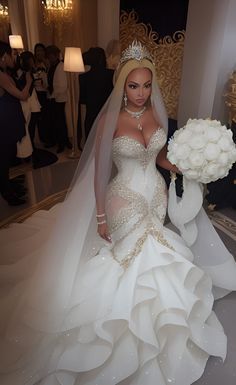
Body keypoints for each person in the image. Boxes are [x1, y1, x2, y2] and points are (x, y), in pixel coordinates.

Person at [0, 41, 236, 385]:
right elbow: (98, 172)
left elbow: (157, 158)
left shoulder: (156, 114)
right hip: (122, 195)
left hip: (155, 193)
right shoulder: (111, 118)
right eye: (133, 86)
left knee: (161, 248)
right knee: (135, 252)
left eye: (146, 85)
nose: (141, 93)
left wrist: (188, 167)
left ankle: (164, 318)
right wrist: (99, 214)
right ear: (122, 85)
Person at [0, 41, 32, 206]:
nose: (14, 58)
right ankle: (7, 193)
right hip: (5, 121)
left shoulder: (4, 74)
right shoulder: (1, 76)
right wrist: (28, 81)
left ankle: (8, 186)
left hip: (7, 119)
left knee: (6, 156)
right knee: (4, 158)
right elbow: (23, 96)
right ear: (4, 56)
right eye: (12, 55)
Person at [78, 46, 114, 144]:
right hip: (107, 115)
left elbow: (82, 100)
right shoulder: (111, 74)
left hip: (91, 116)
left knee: (91, 144)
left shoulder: (83, 77)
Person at [45, 45, 72, 153]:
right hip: (54, 97)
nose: (49, 58)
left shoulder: (60, 66)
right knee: (57, 121)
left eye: (51, 55)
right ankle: (62, 141)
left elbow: (63, 85)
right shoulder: (51, 66)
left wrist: (53, 95)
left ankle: (63, 142)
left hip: (59, 98)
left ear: (56, 55)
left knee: (60, 121)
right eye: (49, 56)